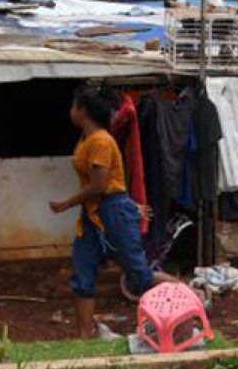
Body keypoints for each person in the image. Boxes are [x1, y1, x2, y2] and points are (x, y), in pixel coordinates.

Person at [51, 85, 177, 338]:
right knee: (82, 274)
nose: (71, 111)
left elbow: (99, 185)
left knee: (140, 277)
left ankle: (191, 297)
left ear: (82, 110)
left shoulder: (101, 141)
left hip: (110, 210)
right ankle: (86, 335)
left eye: (73, 106)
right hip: (96, 213)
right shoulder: (87, 138)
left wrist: (67, 203)